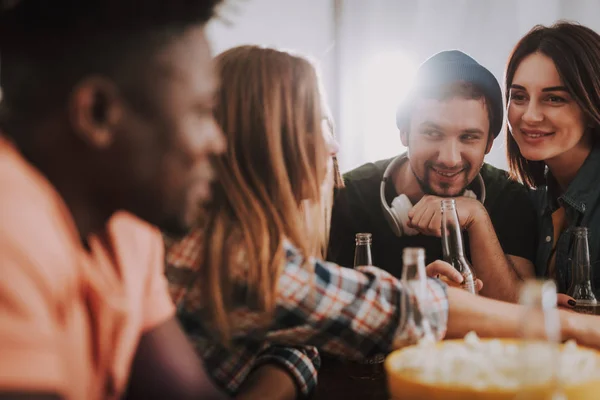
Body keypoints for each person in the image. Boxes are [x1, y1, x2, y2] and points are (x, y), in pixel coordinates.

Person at [166, 44, 600, 399]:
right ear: (266, 142)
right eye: (316, 125)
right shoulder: (239, 255)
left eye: (468, 137)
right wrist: (568, 324)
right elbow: (393, 311)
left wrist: (291, 354)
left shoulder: (219, 240)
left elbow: (298, 328)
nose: (334, 145)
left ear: (488, 142)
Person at [0, 1, 229, 399]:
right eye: (200, 112)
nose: (218, 141)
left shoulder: (124, 226)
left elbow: (184, 390)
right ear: (98, 113)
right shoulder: (10, 227)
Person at [328, 50, 538, 304]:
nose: (450, 158)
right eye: (433, 133)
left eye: (468, 137)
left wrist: (478, 218)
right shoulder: (344, 196)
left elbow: (520, 315)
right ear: (404, 133)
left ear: (489, 143)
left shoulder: (511, 196)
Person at [505, 21, 600, 306]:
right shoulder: (530, 201)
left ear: (592, 102)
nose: (530, 116)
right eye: (519, 96)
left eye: (554, 98)